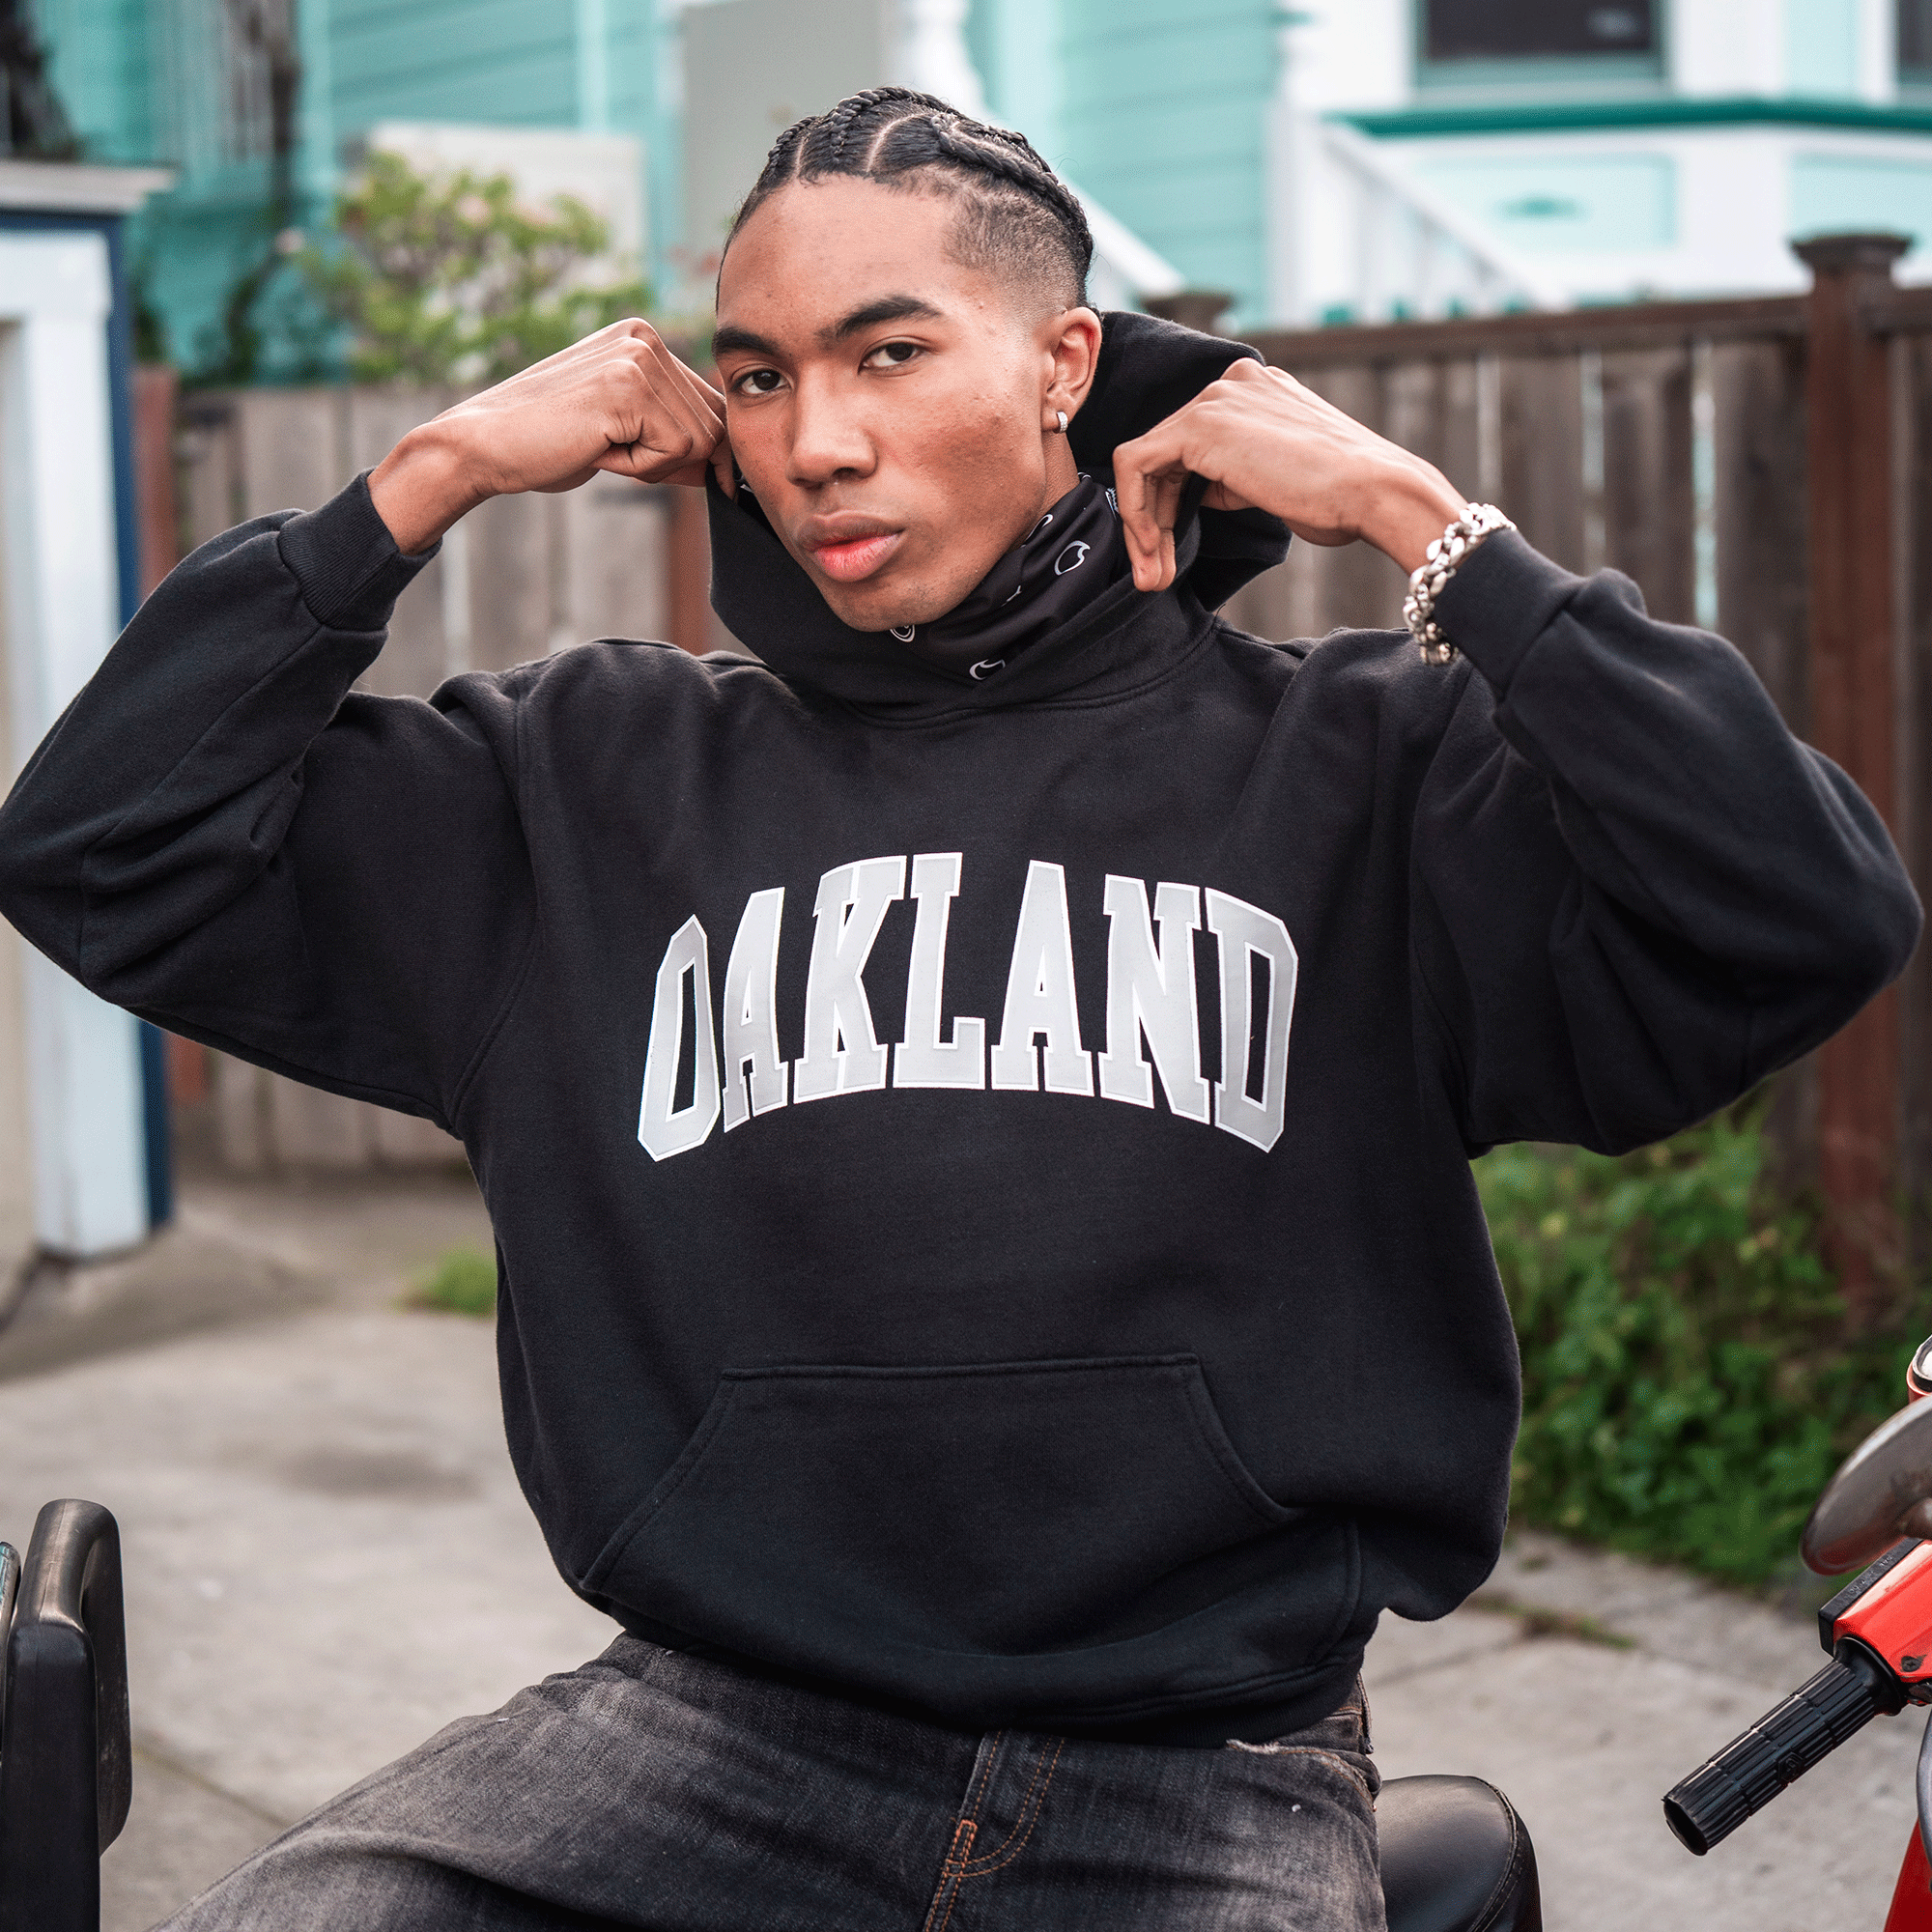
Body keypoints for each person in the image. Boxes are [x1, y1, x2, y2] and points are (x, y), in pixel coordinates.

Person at [0, 86, 1918, 1931]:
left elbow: (1803, 907)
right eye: (759, 375)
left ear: (1065, 365)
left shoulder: (1364, 770)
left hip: (1204, 1781)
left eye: (890, 352)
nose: (815, 441)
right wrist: (425, 481)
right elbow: (98, 844)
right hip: (699, 1741)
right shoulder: (581, 784)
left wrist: (1430, 530)